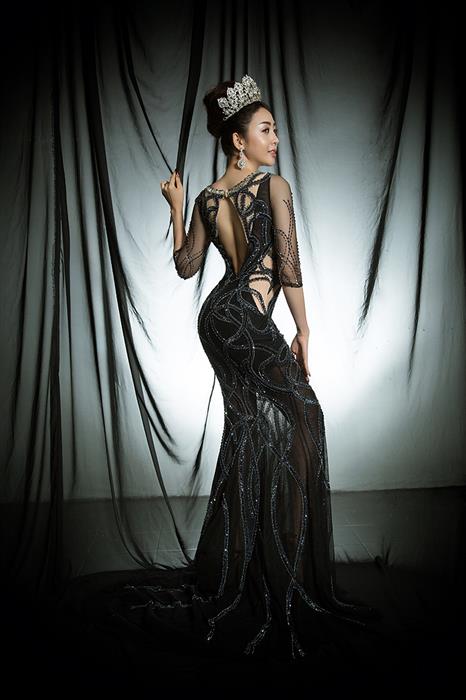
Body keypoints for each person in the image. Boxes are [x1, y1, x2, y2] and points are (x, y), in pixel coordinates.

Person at [107, 75, 379, 665]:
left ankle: (248, 563)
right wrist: (304, 331)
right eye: (265, 129)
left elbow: (186, 266)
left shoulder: (207, 197)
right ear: (238, 140)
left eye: (275, 129)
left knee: (252, 430)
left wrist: (177, 207)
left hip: (216, 318)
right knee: (303, 418)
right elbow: (289, 266)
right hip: (245, 319)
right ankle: (283, 568)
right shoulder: (275, 186)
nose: (275, 138)